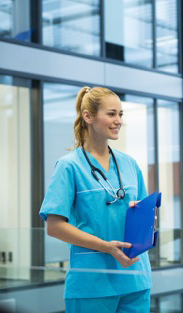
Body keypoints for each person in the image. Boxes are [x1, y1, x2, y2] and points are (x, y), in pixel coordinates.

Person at [39, 87, 152, 312]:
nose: (118, 120)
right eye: (111, 114)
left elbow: (147, 215)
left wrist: (143, 213)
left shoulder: (129, 164)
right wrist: (106, 247)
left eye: (121, 114)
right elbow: (54, 227)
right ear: (88, 116)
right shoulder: (68, 166)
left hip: (135, 279)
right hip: (92, 283)